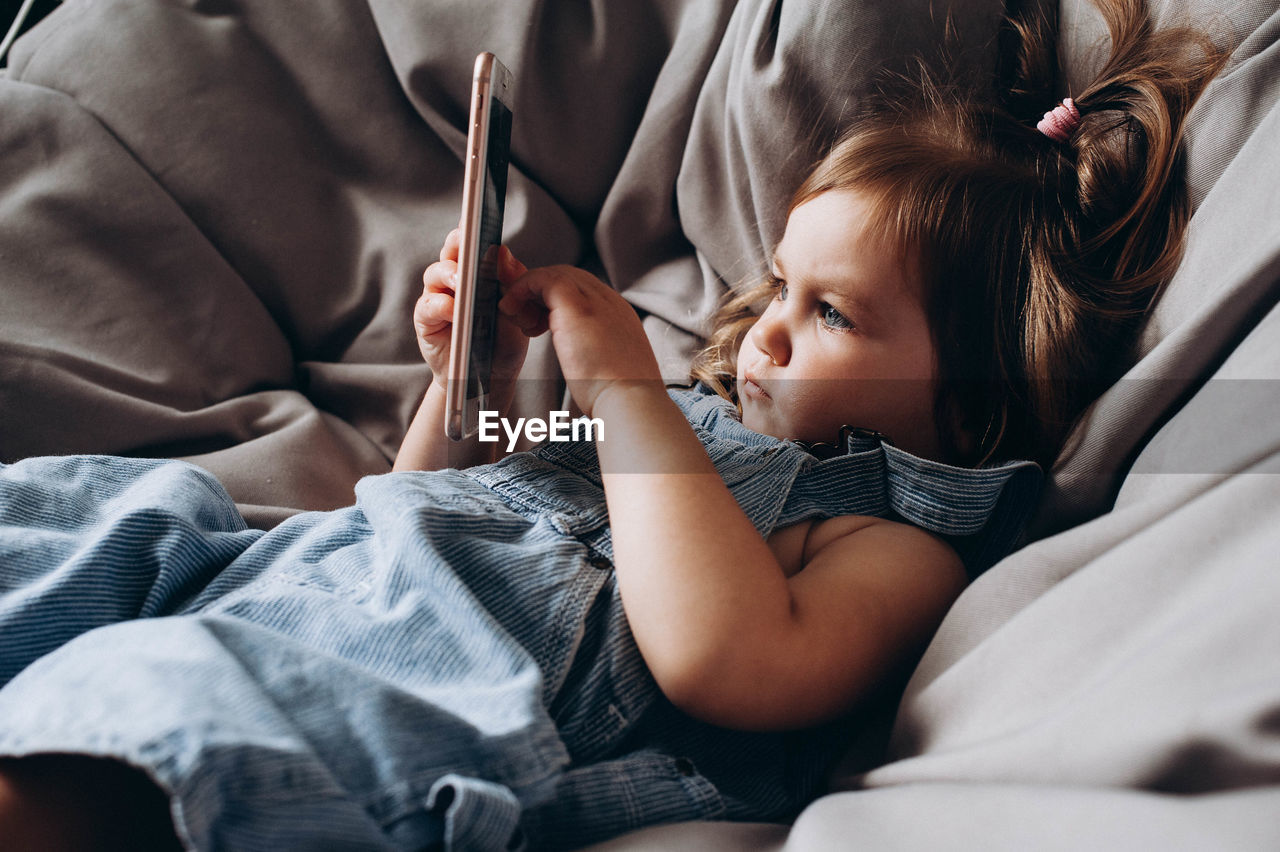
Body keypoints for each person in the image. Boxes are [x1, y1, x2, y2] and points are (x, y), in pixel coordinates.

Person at [0, 0, 1224, 848]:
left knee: (153, 713)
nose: (765, 329)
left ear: (960, 403)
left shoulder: (893, 544)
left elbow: (722, 658)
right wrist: (462, 388)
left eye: (834, 315)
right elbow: (415, 495)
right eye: (780, 286)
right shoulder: (696, 415)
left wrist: (630, 396)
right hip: (292, 572)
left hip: (432, 689)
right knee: (86, 518)